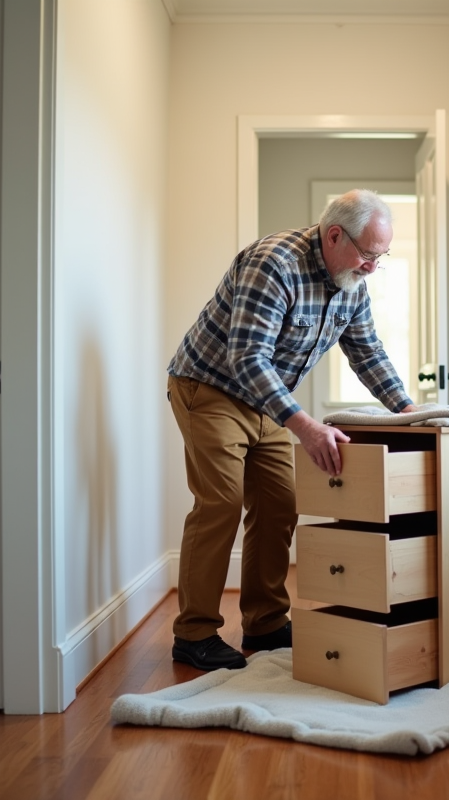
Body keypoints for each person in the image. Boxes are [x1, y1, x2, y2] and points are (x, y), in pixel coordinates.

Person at [166, 189, 416, 671]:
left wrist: (409, 412)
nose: (371, 268)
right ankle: (193, 633)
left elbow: (367, 352)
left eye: (380, 258)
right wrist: (304, 425)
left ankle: (264, 622)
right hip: (211, 387)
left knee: (280, 505)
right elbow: (246, 357)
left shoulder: (351, 282)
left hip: (266, 397)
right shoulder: (275, 263)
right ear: (335, 235)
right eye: (368, 254)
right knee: (220, 503)